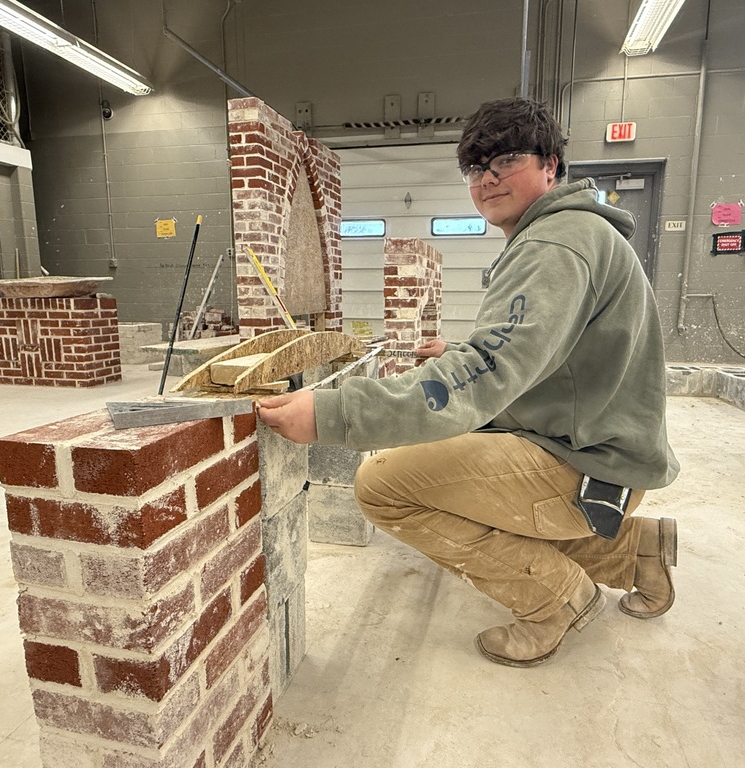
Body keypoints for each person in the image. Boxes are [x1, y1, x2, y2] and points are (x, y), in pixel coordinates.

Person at [257, 97, 680, 668]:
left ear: (551, 165)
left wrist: (336, 412)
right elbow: (549, 354)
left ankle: (555, 601)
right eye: (476, 167)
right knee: (449, 464)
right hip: (594, 445)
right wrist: (462, 352)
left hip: (589, 462)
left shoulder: (554, 242)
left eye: (506, 160)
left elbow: (490, 372)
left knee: (385, 484)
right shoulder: (571, 233)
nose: (488, 179)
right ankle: (636, 552)